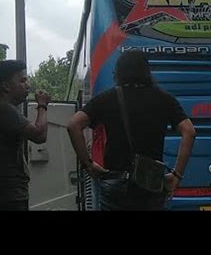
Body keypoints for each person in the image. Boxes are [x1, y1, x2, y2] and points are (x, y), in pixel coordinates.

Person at [67, 50, 196, 210]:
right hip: (150, 182)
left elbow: (73, 125)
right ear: (146, 71)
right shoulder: (164, 98)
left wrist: (88, 164)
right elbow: (189, 132)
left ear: (119, 72)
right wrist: (177, 175)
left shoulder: (107, 98)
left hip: (115, 181)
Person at [0, 60, 50, 211]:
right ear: (6, 86)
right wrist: (42, 105)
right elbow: (39, 135)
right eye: (22, 80)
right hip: (5, 199)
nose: (27, 86)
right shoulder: (3, 110)